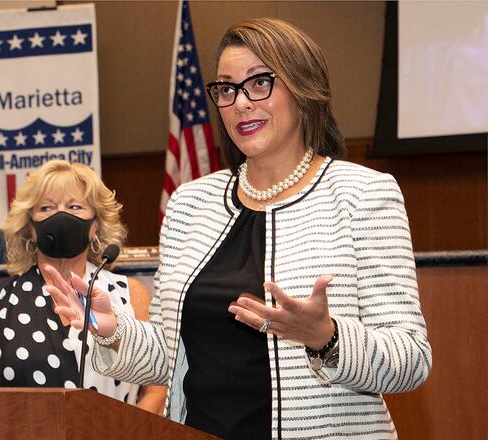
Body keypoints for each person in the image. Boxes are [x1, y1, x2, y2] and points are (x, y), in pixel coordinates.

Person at [46, 18, 432, 439]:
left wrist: (327, 337)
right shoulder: (190, 203)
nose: (241, 103)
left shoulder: (363, 194)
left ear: (304, 91)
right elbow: (168, 358)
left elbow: (410, 359)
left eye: (260, 82)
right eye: (227, 89)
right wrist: (114, 330)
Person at [0, 160, 167, 414]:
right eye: (46, 207)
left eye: (75, 207)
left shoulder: (131, 294)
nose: (61, 216)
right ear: (30, 228)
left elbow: (157, 391)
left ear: (95, 226)